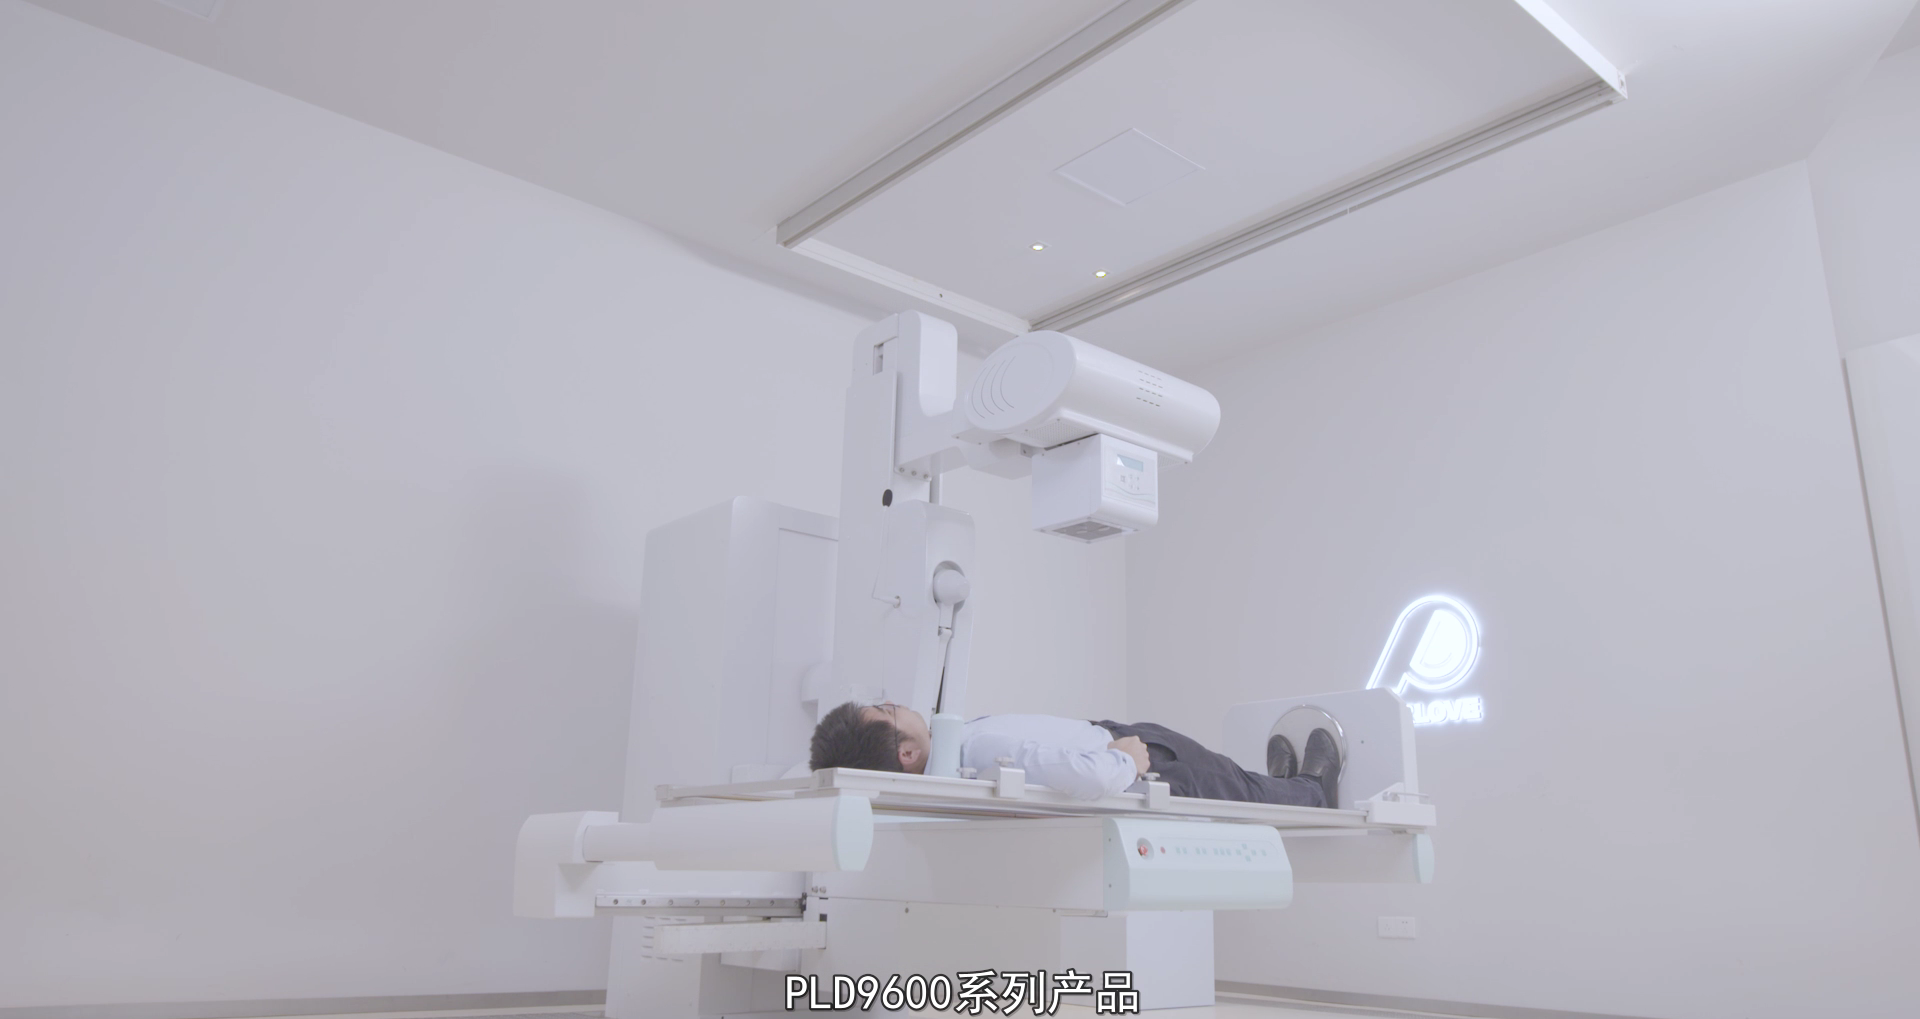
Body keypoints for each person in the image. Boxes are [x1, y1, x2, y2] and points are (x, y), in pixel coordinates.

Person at [808, 701, 1339, 808]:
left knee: (1236, 779)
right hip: (1147, 762)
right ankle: (1314, 789)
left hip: (1118, 738)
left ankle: (1286, 785)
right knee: (1239, 790)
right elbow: (1087, 779)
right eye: (888, 710)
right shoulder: (977, 751)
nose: (899, 703)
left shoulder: (954, 752)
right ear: (906, 753)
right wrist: (1127, 758)